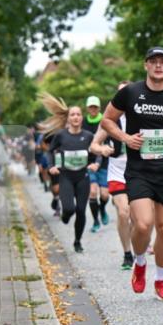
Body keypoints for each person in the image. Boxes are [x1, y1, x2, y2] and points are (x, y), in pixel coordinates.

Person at [101, 47, 163, 300]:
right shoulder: (130, 92)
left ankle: (160, 279)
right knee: (143, 224)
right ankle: (139, 263)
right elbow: (107, 120)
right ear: (146, 65)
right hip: (139, 171)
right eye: (153, 61)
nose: (158, 66)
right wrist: (126, 138)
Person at [40, 95, 100, 252]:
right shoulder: (61, 136)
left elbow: (96, 153)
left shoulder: (88, 136)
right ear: (68, 118)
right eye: (72, 114)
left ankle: (77, 241)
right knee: (69, 209)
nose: (76, 117)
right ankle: (65, 215)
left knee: (81, 210)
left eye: (78, 114)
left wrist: (95, 163)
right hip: (66, 177)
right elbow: (50, 152)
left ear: (81, 118)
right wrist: (52, 166)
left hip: (83, 178)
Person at [91, 81, 135, 270]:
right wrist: (102, 149)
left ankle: (137, 246)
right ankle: (127, 253)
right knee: (124, 213)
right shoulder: (110, 120)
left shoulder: (140, 117)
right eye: (120, 94)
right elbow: (93, 145)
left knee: (137, 217)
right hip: (116, 173)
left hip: (138, 173)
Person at [83, 96, 110, 233]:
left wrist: (98, 163)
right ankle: (95, 221)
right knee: (93, 192)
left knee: (105, 195)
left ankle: (102, 208)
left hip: (104, 162)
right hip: (88, 164)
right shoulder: (83, 122)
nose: (93, 109)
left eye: (95, 107)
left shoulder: (105, 122)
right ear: (87, 108)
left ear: (99, 108)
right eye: (91, 107)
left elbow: (105, 145)